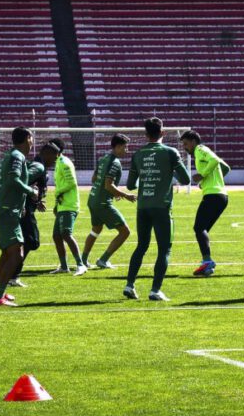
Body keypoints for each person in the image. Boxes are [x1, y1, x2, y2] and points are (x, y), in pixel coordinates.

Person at [123, 118, 192, 301]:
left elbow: (130, 185)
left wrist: (147, 175)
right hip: (162, 207)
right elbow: (185, 179)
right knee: (164, 249)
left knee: (141, 246)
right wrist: (168, 171)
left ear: (146, 134)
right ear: (163, 133)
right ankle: (155, 290)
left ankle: (129, 285)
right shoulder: (170, 152)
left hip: (143, 207)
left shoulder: (138, 154)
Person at [0, 127, 39, 307]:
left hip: (7, 210)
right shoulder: (17, 156)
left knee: (7, 254)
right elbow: (13, 180)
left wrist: (21, 205)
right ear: (27, 138)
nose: (32, 141)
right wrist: (31, 191)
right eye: (31, 138)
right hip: (7, 212)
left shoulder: (12, 155)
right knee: (17, 254)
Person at [82, 134, 137, 270]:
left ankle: (83, 260)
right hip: (103, 203)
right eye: (125, 147)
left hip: (92, 199)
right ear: (117, 147)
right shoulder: (115, 162)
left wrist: (114, 192)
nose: (127, 150)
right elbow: (108, 185)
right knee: (125, 232)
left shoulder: (103, 159)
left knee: (96, 229)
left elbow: (94, 179)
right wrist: (126, 195)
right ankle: (103, 260)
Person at [181, 131, 232, 277]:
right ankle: (207, 265)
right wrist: (207, 181)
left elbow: (214, 160)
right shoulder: (202, 152)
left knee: (199, 228)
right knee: (202, 230)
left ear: (193, 141)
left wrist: (202, 175)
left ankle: (207, 262)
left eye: (186, 144)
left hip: (213, 196)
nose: (184, 147)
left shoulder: (200, 149)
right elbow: (225, 168)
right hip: (221, 196)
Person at [44, 138, 86, 275]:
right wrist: (56, 204)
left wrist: (58, 192)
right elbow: (62, 184)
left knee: (66, 234)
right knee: (57, 236)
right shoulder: (58, 163)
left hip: (69, 205)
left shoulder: (64, 163)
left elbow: (72, 183)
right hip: (62, 205)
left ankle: (80, 265)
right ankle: (64, 267)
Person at [7, 153, 49, 288]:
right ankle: (11, 274)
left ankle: (12, 274)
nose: (55, 159)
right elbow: (20, 184)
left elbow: (31, 189)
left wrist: (37, 202)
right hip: (23, 211)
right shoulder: (37, 168)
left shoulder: (38, 170)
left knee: (26, 242)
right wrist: (22, 205)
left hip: (24, 209)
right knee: (31, 241)